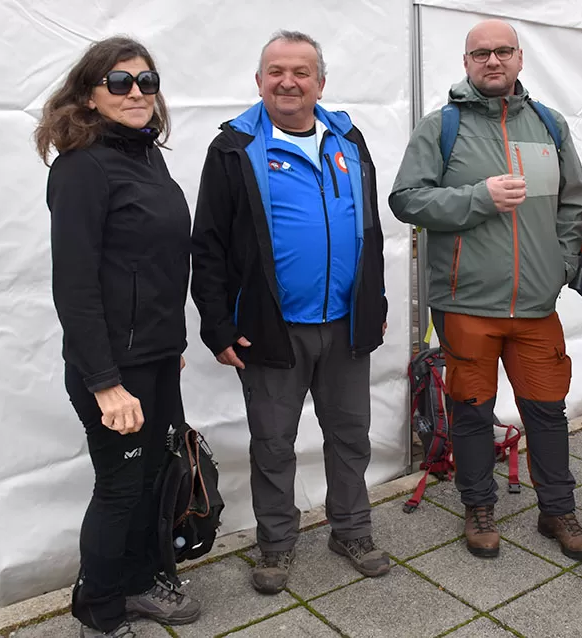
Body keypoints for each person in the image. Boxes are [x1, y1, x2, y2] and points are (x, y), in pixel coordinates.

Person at [190, 30, 389, 595]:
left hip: (346, 326)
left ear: (320, 82)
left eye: (301, 72)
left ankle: (351, 529)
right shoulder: (232, 149)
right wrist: (218, 325)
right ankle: (276, 544)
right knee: (273, 443)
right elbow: (207, 246)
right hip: (270, 332)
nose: (288, 81)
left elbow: (369, 231)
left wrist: (373, 303)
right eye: (276, 71)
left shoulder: (349, 141)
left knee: (350, 436)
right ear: (259, 81)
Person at [389, 19, 582, 562]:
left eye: (503, 51)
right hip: (464, 304)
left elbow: (575, 201)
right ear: (466, 63)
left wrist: (564, 263)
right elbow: (406, 199)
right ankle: (478, 506)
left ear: (521, 58)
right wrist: (477, 197)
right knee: (472, 412)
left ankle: (557, 508)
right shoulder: (441, 128)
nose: (493, 61)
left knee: (548, 411)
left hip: (535, 304)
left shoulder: (550, 126)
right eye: (481, 53)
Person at [35, 36, 200, 637]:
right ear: (89, 94)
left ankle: (134, 584)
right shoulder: (81, 168)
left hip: (154, 358)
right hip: (110, 370)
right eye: (121, 82)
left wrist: (169, 348)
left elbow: (153, 267)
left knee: (153, 477)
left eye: (147, 81)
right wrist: (106, 384)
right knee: (119, 487)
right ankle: (99, 613)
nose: (137, 93)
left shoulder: (146, 157)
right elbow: (74, 288)